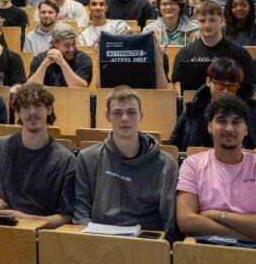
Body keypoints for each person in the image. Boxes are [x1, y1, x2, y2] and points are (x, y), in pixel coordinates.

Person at [0, 84, 75, 228]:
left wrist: (26, 219)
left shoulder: (66, 160)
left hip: (40, 236)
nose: (32, 112)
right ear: (18, 113)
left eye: (38, 105)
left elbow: (66, 217)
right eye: (25, 107)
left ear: (49, 109)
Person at [176, 96, 256, 240]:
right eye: (221, 121)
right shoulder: (192, 165)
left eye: (236, 122)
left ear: (246, 129)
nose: (229, 128)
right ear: (209, 127)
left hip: (253, 251)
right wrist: (244, 235)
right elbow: (186, 222)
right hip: (204, 249)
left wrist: (218, 215)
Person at [74, 86, 178, 232]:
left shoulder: (166, 164)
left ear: (141, 115)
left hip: (145, 240)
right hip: (98, 237)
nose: (125, 118)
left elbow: (169, 222)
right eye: (117, 113)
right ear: (108, 116)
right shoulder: (87, 158)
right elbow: (81, 212)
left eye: (131, 112)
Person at [169, 58, 256, 152]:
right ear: (208, 82)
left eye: (232, 87)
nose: (225, 92)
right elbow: (175, 148)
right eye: (220, 85)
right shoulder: (194, 111)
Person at [171, 0, 256, 94]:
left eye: (212, 20)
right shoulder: (185, 53)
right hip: (194, 102)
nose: (207, 25)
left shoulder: (240, 54)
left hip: (230, 101)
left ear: (222, 20)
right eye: (202, 21)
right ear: (197, 22)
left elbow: (249, 85)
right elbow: (177, 81)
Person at [28, 23, 92, 88]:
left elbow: (81, 89)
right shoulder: (40, 59)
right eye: (67, 45)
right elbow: (30, 88)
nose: (72, 49)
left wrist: (62, 63)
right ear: (54, 43)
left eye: (74, 44)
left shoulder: (83, 59)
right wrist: (44, 65)